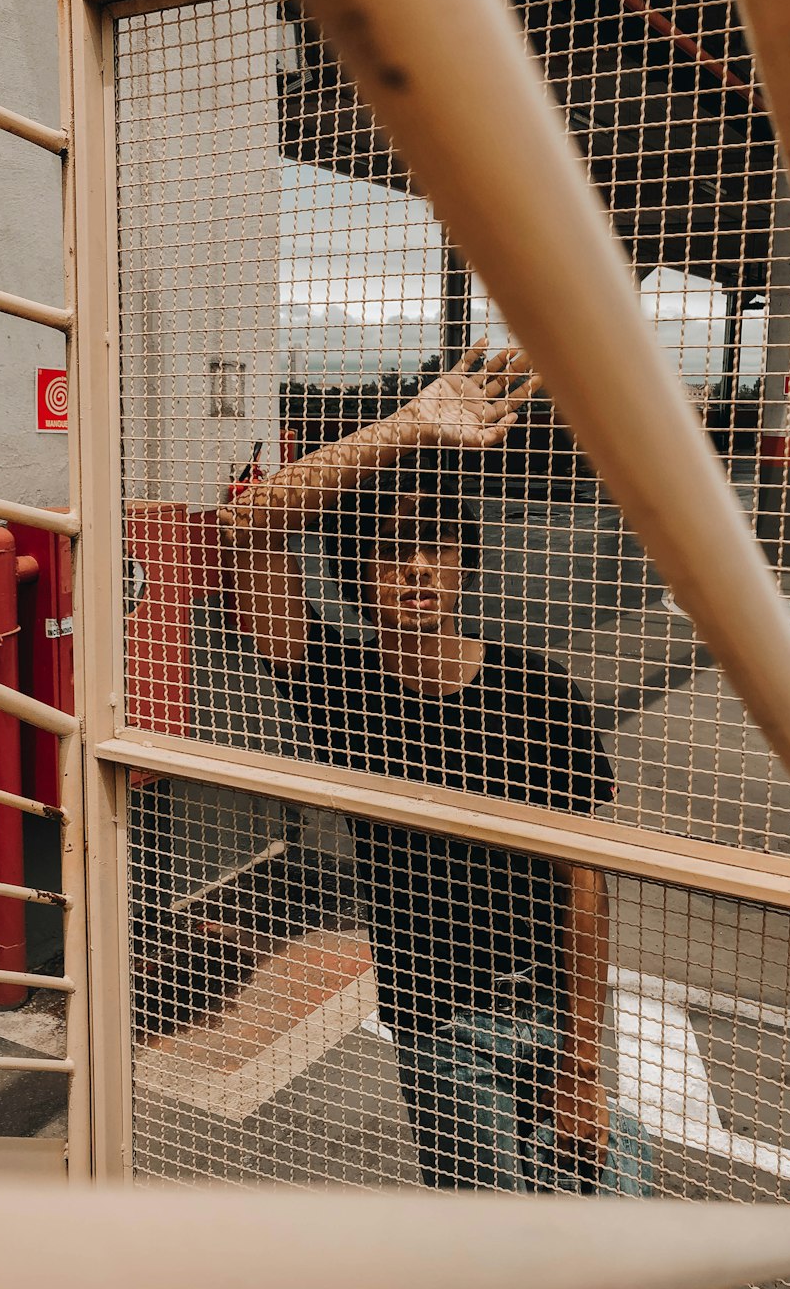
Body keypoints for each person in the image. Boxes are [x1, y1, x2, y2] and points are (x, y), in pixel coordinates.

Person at [220, 343, 650, 1194]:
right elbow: (245, 524)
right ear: (355, 575)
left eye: (437, 545)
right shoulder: (339, 687)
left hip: (548, 1013)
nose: (416, 563)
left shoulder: (536, 688)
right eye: (391, 549)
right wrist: (407, 427)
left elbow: (587, 878)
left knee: (612, 1232)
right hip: (435, 1032)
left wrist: (583, 1067)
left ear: (463, 562)